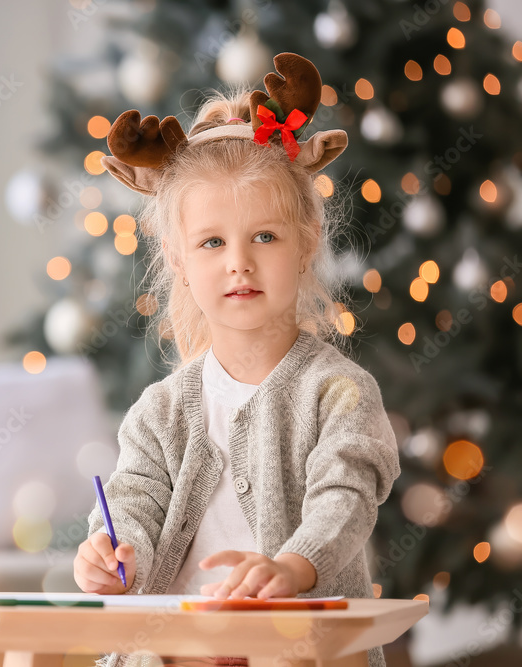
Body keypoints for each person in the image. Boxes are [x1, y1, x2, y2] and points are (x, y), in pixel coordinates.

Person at [72, 53, 400, 667]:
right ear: (177, 258)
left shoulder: (339, 392)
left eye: (265, 236)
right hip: (175, 653)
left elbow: (346, 495)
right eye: (212, 242)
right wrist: (115, 553)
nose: (238, 263)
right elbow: (133, 499)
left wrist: (292, 568)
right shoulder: (159, 412)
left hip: (293, 650)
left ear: (306, 244)